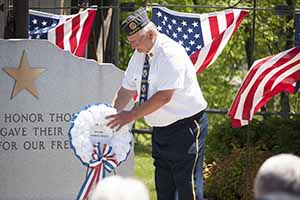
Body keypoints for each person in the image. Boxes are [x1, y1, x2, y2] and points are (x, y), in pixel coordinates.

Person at [106, 7, 208, 200]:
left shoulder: (170, 53)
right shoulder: (139, 55)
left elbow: (164, 96)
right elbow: (127, 89)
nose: (134, 47)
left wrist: (130, 116)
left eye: (136, 41)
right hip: (161, 130)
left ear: (151, 33)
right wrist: (111, 113)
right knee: (164, 190)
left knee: (188, 188)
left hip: (186, 128)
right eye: (131, 43)